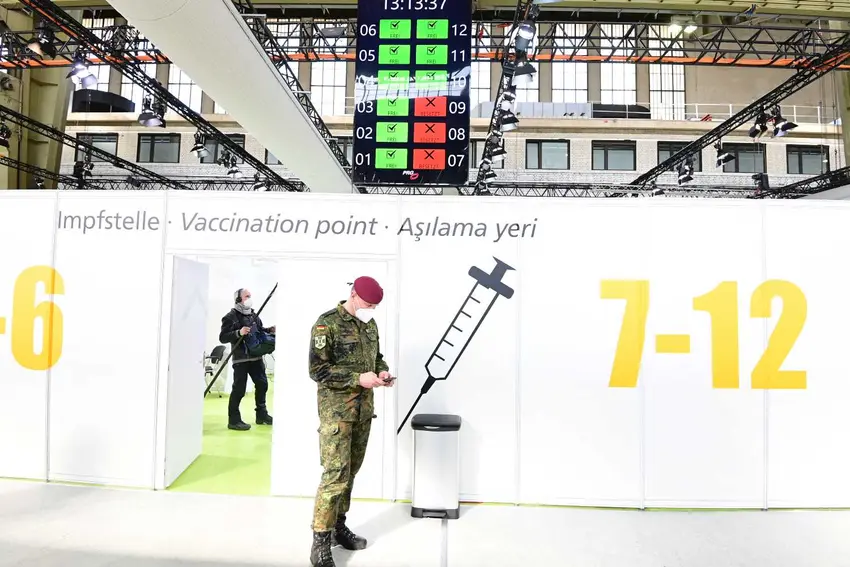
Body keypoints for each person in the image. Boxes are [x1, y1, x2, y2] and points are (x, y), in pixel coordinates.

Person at [307, 276, 394, 567]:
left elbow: (376, 358)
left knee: (351, 473)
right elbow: (317, 370)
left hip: (363, 412)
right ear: (354, 294)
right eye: (368, 304)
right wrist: (357, 379)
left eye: (375, 306)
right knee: (335, 476)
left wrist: (381, 373)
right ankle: (320, 542)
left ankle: (338, 527)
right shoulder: (327, 324)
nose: (372, 309)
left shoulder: (370, 325)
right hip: (337, 414)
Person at [218, 288, 275, 431]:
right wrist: (239, 332)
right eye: (246, 296)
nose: (249, 298)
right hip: (241, 359)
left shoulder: (253, 315)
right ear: (238, 299)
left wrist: (269, 330)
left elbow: (259, 331)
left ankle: (261, 415)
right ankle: (234, 420)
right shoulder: (230, 317)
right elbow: (223, 337)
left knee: (262, 384)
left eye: (250, 296)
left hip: (256, 357)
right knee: (239, 389)